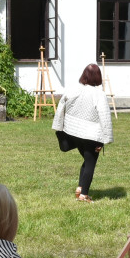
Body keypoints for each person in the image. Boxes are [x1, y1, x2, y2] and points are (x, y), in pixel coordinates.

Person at [51, 63, 113, 203]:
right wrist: (105, 139)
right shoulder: (99, 94)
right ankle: (84, 195)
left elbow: (61, 108)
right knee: (90, 163)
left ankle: (80, 188)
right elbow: (104, 116)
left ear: (84, 74)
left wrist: (59, 127)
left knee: (87, 160)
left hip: (73, 132)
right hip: (91, 136)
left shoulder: (73, 89)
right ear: (98, 77)